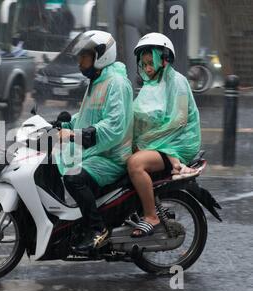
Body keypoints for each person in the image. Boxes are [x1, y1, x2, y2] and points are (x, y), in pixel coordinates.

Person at [54, 31, 133, 253]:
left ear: (101, 55)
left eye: (84, 56)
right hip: (98, 152)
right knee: (52, 163)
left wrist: (75, 136)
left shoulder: (116, 83)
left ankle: (99, 230)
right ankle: (75, 223)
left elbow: (114, 127)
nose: (80, 62)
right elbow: (87, 117)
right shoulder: (98, 81)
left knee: (73, 178)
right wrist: (65, 126)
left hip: (113, 156)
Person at [128, 33, 202, 237]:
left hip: (178, 143)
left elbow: (179, 120)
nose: (147, 68)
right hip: (158, 142)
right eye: (144, 64)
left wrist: (145, 141)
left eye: (151, 62)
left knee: (135, 164)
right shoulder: (151, 85)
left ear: (165, 59)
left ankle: (151, 215)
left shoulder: (177, 82)